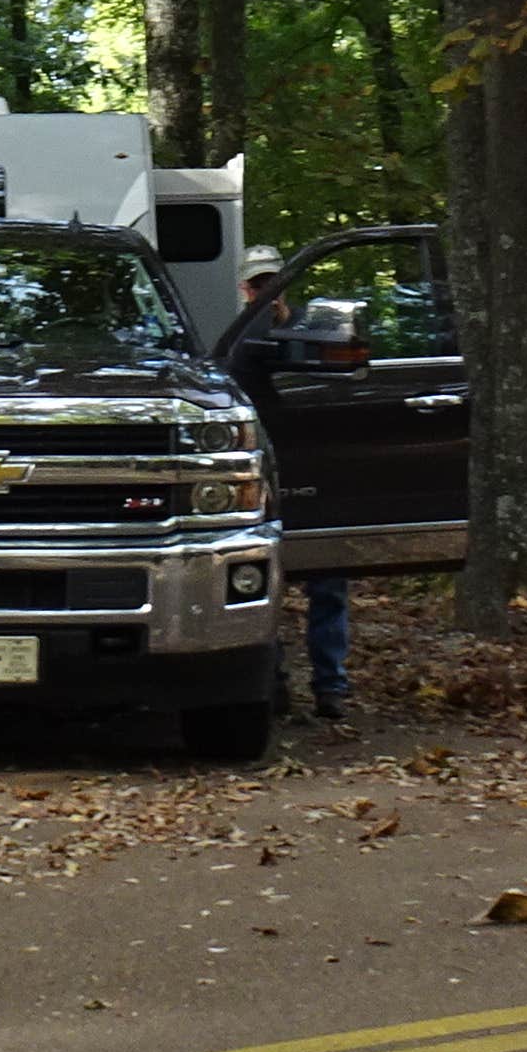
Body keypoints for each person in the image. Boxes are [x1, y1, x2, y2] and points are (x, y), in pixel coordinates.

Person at [220, 257, 356, 725]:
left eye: (276, 284)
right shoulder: (239, 342)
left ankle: (330, 687)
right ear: (246, 290)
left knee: (329, 581)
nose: (269, 293)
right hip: (268, 482)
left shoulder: (316, 332)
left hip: (318, 471)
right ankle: (273, 681)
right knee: (263, 583)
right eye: (261, 285)